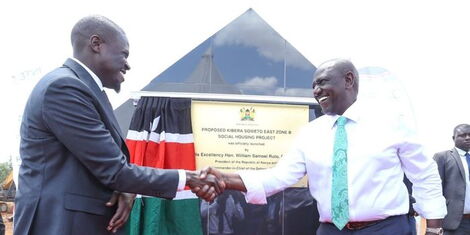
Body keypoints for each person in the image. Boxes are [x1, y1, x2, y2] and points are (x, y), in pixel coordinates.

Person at [15, 15, 222, 235]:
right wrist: (189, 178)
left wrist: (125, 188)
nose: (128, 65)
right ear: (96, 44)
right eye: (123, 54)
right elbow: (114, 170)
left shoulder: (81, 89)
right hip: (59, 226)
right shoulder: (64, 88)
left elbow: (103, 167)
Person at [198, 59, 446, 235]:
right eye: (313, 86)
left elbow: (425, 176)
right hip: (331, 230)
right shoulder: (311, 133)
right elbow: (278, 177)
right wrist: (225, 179)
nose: (316, 91)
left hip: (386, 229)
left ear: (349, 79)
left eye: (322, 82)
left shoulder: (391, 122)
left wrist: (434, 230)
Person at [434, 124, 470, 234]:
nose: (467, 137)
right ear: (453, 138)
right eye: (462, 135)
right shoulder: (442, 157)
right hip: (455, 222)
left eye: (469, 135)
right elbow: (436, 189)